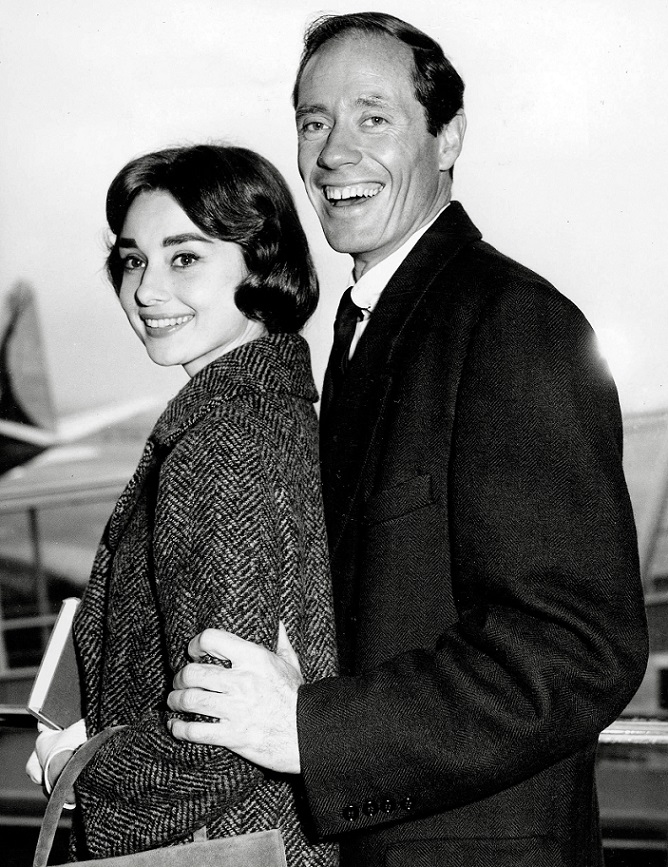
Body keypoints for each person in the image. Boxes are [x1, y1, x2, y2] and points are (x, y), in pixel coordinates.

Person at [166, 13, 649, 867]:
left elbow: (577, 647)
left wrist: (311, 729)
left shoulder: (514, 324)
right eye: (314, 123)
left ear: (449, 136)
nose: (333, 154)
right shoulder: (368, 327)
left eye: (373, 117)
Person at [26, 143, 338, 866]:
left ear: (262, 264)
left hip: (225, 839)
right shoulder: (272, 412)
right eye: (133, 260)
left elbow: (228, 736)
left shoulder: (223, 440)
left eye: (185, 258)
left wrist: (77, 764)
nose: (146, 290)